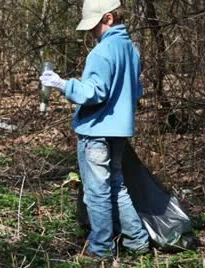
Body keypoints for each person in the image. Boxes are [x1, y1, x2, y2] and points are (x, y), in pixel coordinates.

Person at [39, 0, 149, 259]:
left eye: (93, 26)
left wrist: (63, 84)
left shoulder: (101, 52)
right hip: (120, 130)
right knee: (117, 186)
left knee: (97, 192)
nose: (91, 33)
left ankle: (100, 249)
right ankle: (137, 241)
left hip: (96, 132)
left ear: (108, 18)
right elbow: (136, 90)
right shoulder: (130, 49)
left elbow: (93, 92)